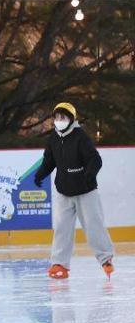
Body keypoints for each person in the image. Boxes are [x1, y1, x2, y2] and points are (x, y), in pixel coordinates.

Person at [33, 102, 113, 279]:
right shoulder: (53, 138)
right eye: (57, 117)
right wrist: (40, 175)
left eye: (64, 118)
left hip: (86, 191)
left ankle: (106, 259)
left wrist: (90, 175)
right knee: (62, 228)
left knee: (94, 226)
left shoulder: (80, 137)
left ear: (71, 120)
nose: (59, 121)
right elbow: (49, 162)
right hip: (64, 191)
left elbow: (95, 160)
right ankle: (59, 264)